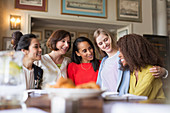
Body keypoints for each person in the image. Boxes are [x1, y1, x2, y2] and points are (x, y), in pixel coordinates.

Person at [93, 28, 168, 95]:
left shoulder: (125, 55)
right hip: (106, 97)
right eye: (100, 43)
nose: (104, 44)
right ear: (98, 46)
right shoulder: (104, 61)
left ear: (110, 37)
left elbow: (142, 67)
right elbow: (100, 82)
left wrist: (164, 72)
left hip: (121, 97)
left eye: (106, 40)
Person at [117, 34, 165, 99]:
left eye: (121, 52)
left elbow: (136, 97)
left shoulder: (151, 70)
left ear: (132, 52)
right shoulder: (132, 72)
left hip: (157, 108)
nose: (119, 55)